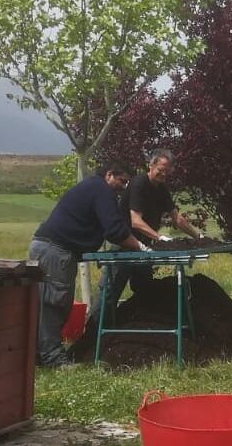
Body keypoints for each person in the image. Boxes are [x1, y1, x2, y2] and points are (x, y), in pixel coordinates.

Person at [30, 161, 148, 367]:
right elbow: (115, 230)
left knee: (48, 304)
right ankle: (53, 359)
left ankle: (40, 355)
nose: (124, 187)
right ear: (109, 174)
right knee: (54, 304)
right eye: (122, 181)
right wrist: (141, 247)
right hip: (56, 251)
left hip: (49, 248)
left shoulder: (93, 186)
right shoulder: (102, 190)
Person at [96, 149, 202, 324]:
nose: (164, 174)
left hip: (145, 247)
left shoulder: (161, 188)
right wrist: (160, 238)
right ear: (151, 165)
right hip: (125, 244)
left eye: (167, 171)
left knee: (144, 289)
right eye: (161, 169)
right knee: (110, 291)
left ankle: (141, 328)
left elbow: (177, 218)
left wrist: (198, 236)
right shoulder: (139, 184)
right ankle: (94, 332)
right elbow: (136, 221)